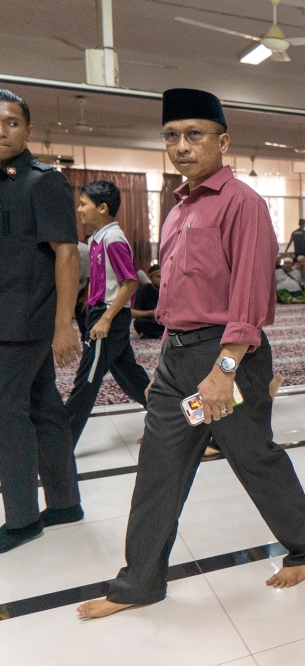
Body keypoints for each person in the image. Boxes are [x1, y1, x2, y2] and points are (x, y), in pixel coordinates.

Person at [77, 88, 305, 619]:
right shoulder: (178, 208)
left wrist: (223, 371)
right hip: (178, 357)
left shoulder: (243, 203)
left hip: (228, 356)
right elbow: (176, 293)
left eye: (195, 135)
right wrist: (165, 360)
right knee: (157, 469)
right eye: (172, 135)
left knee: (253, 459)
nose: (182, 146)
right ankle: (138, 582)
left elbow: (250, 300)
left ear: (222, 140)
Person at [0, 89, 83, 553]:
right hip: (5, 318)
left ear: (28, 131)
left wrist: (63, 323)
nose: (3, 131)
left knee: (5, 416)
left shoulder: (42, 181)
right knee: (43, 409)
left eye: (13, 123)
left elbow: (66, 253)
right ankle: (65, 503)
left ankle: (22, 519)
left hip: (25, 320)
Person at [64, 180, 150, 445]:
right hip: (100, 313)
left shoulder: (113, 238)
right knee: (132, 378)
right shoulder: (96, 239)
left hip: (108, 318)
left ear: (102, 208)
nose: (79, 209)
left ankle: (59, 446)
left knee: (86, 382)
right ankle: (175, 422)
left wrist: (105, 317)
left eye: (83, 204)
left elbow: (131, 282)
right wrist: (88, 297)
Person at [132, 264, 165, 338]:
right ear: (151, 278)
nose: (162, 279)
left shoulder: (170, 290)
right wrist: (151, 312)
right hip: (151, 320)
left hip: (166, 321)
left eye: (163, 276)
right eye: (158, 276)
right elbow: (132, 312)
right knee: (139, 323)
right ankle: (161, 334)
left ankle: (157, 334)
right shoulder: (143, 291)